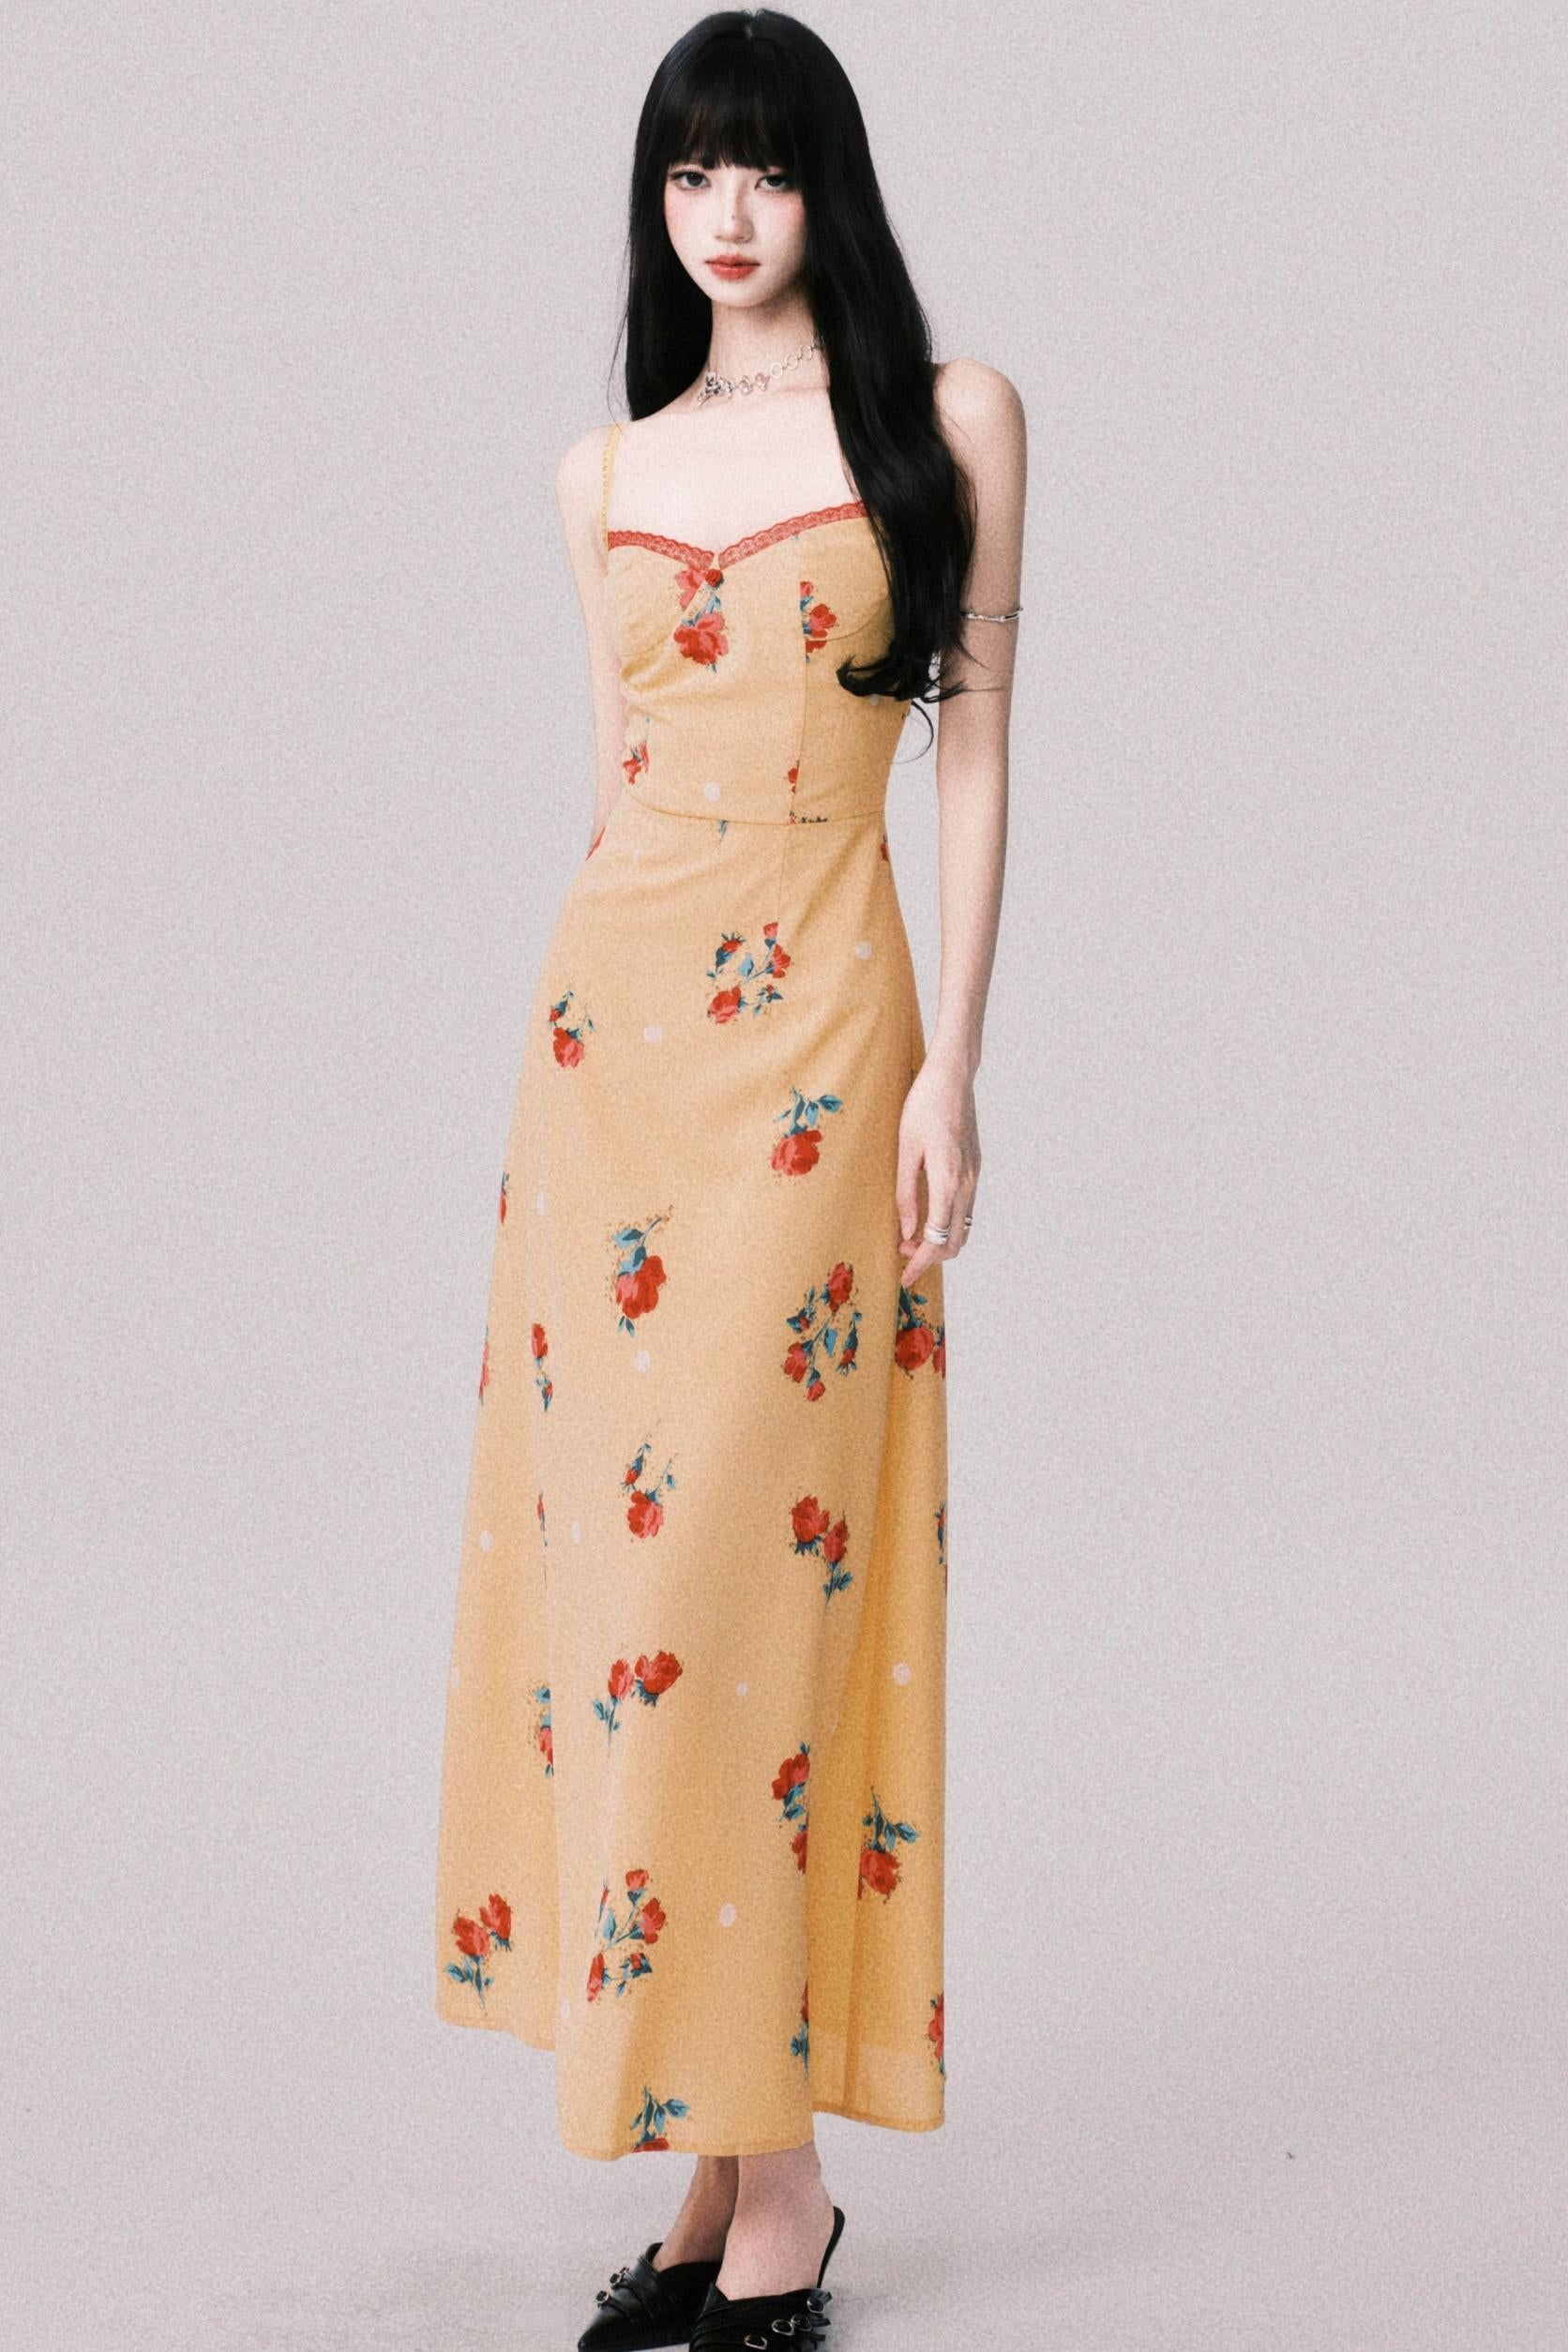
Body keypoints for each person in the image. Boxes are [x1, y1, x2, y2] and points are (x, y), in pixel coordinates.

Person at [432, 11, 1023, 2346]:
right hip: (610, 1061)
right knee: (625, 1601)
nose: (727, 212)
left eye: (765, 167)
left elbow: (973, 747)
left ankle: (760, 2185)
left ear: (824, 187)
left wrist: (953, 1067)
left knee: (747, 1579)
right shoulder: (602, 469)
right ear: (655, 201)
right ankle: (734, 2177)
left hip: (825, 1034)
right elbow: (612, 789)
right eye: (690, 172)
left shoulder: (945, 421)